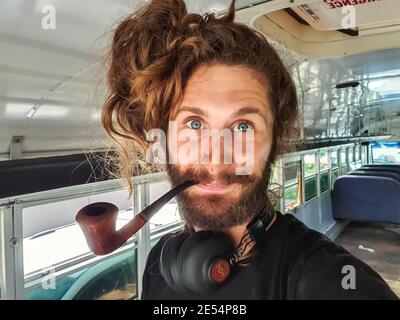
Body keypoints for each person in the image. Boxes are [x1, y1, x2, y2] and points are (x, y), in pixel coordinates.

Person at [101, 0, 398, 299]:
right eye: (194, 124)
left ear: (275, 141)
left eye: (243, 127)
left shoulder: (326, 279)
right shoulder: (158, 262)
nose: (216, 156)